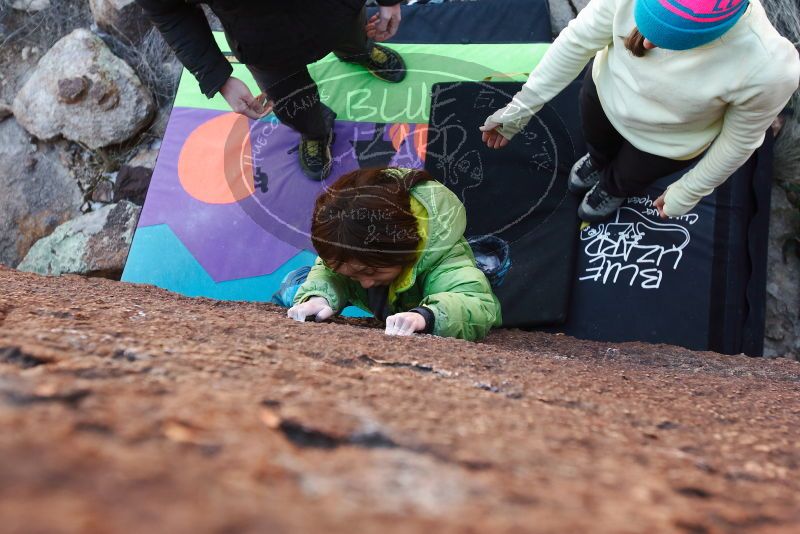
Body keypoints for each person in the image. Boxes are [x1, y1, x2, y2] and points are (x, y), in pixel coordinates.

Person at [480, 0, 800, 222]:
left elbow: (738, 141)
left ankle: (611, 187)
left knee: (628, 177)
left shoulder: (770, 68)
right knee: (597, 143)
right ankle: (598, 161)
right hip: (603, 96)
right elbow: (577, 40)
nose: (645, 46)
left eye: (671, 40)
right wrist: (522, 108)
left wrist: (688, 191)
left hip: (665, 146)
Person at [137, 0, 407, 180]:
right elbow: (169, 10)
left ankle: (358, 53)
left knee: (355, 38)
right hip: (263, 42)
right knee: (295, 107)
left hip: (337, 9)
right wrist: (217, 76)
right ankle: (316, 131)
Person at [286, 167, 502, 341]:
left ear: (401, 249)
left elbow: (476, 304)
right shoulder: (352, 251)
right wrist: (317, 297)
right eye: (353, 275)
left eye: (370, 271)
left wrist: (426, 316)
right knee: (294, 287)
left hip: (436, 292)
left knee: (477, 276)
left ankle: (485, 262)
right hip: (387, 295)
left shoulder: (444, 258)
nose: (366, 284)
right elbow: (327, 270)